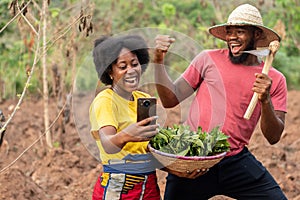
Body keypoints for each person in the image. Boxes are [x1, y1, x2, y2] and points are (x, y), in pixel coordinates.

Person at [154, 4, 287, 200]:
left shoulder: (274, 79)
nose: (232, 37)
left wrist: (265, 99)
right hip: (196, 158)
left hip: (235, 161)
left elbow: (273, 136)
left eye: (240, 31)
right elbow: (170, 99)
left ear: (257, 34)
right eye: (229, 32)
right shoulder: (207, 59)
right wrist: (158, 61)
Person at [89, 34, 161, 200]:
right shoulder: (106, 100)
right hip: (119, 186)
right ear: (110, 72)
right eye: (123, 66)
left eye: (135, 64)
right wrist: (128, 134)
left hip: (148, 185)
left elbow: (151, 147)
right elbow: (108, 144)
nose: (131, 70)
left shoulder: (142, 98)